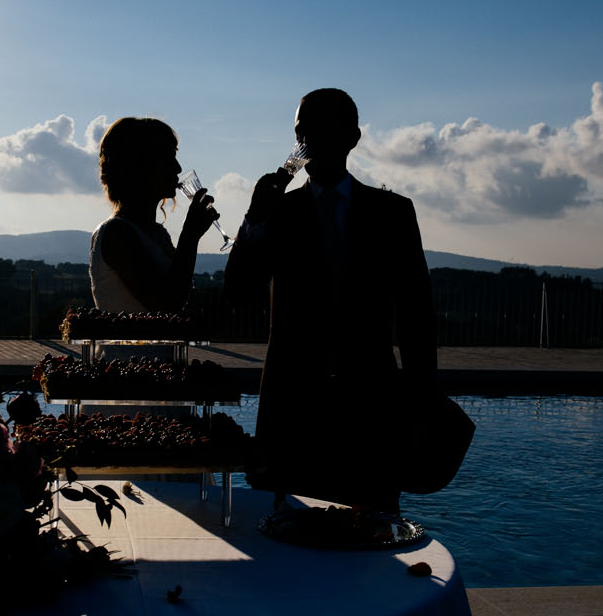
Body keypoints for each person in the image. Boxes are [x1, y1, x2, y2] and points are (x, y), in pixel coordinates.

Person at [224, 88, 439, 511]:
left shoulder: (392, 212)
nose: (307, 139)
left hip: (371, 410)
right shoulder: (278, 212)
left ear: (352, 137)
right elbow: (238, 294)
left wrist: (421, 406)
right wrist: (254, 220)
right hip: (290, 411)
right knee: (283, 546)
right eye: (301, 129)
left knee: (372, 547)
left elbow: (417, 315)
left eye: (320, 126)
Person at [89, 117, 218, 312]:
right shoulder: (117, 234)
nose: (178, 168)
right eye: (167, 158)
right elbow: (167, 304)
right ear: (138, 167)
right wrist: (190, 236)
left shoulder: (157, 234)